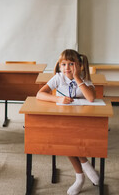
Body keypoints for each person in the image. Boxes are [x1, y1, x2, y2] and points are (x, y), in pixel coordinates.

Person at [36, 49, 99, 195]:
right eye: (63, 64)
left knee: (69, 139)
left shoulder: (84, 79)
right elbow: (40, 94)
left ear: (80, 65)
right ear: (59, 66)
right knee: (65, 139)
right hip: (63, 121)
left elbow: (90, 98)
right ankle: (82, 174)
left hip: (82, 122)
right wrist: (58, 99)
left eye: (71, 64)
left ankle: (82, 173)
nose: (67, 68)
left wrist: (77, 78)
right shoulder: (58, 78)